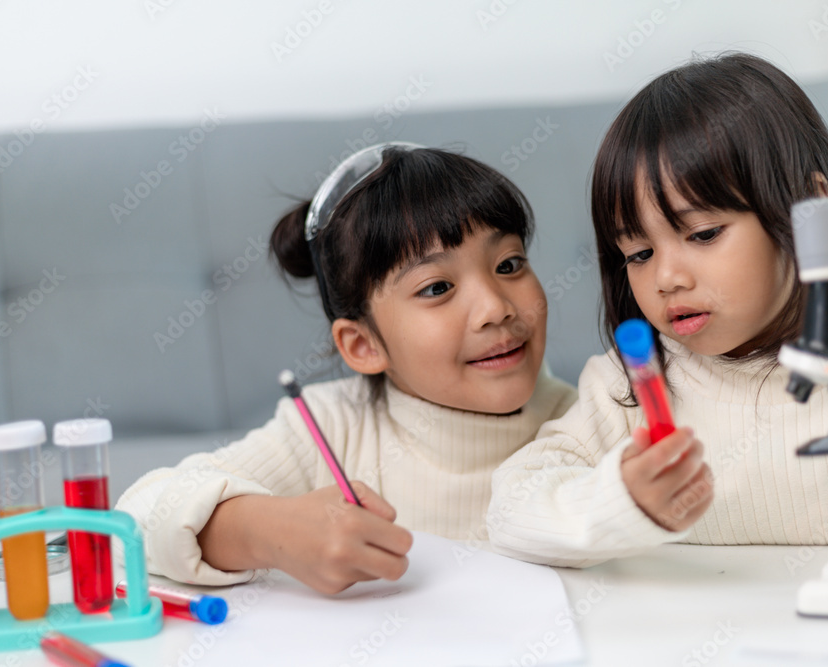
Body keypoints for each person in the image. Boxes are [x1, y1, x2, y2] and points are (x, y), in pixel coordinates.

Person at [487, 52, 828, 567]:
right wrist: (621, 502)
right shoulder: (627, 387)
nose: (666, 278)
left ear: (810, 215)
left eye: (702, 234)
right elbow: (510, 508)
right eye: (639, 254)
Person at [116, 143, 577, 592]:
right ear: (363, 345)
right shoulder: (331, 427)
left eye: (509, 263)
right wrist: (272, 534)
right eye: (437, 288)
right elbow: (135, 521)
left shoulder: (591, 416)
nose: (495, 308)